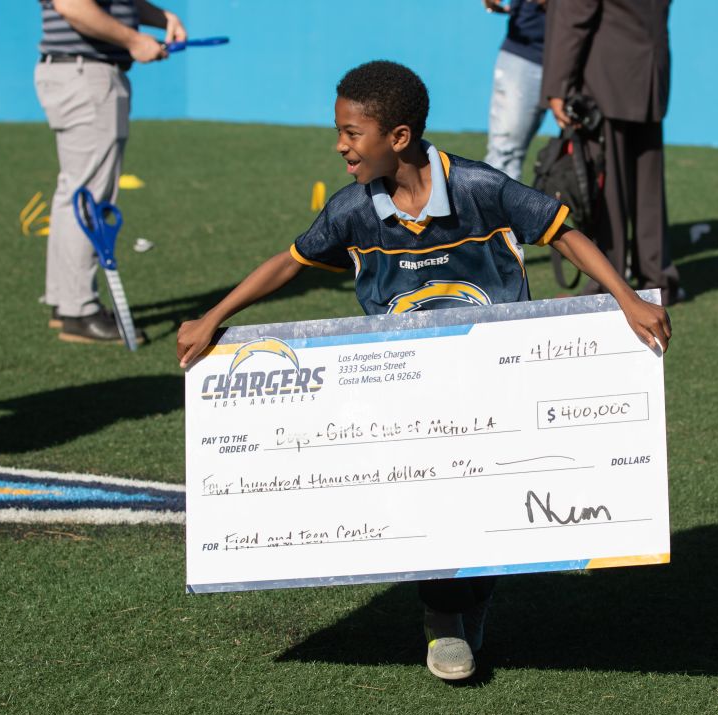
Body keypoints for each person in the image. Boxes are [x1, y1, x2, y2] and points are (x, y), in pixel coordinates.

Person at [176, 60, 671, 681]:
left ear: (399, 138)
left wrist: (627, 300)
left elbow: (563, 234)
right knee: (424, 493)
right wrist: (211, 317)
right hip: (403, 394)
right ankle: (442, 616)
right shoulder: (352, 211)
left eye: (352, 133)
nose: (339, 146)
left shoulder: (480, 189)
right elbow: (291, 262)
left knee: (490, 501)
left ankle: (474, 595)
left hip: (498, 382)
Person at [35, 0, 185, 343]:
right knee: (89, 195)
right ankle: (79, 311)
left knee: (74, 192)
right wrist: (134, 39)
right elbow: (73, 5)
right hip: (87, 74)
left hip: (79, 72)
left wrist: (160, 17)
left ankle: (66, 301)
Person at [541, 0, 684, 304]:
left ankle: (609, 284)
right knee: (648, 191)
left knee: (606, 190)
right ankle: (659, 282)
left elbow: (575, 14)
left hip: (606, 76)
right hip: (649, 72)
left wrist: (557, 85)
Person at [482, 0, 549, 182]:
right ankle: (493, 209)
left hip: (585, 53)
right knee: (505, 154)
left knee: (592, 147)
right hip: (527, 54)